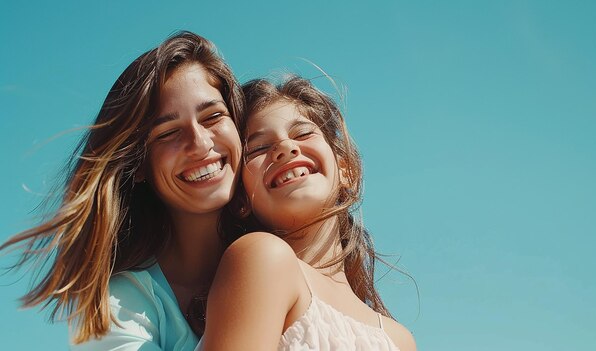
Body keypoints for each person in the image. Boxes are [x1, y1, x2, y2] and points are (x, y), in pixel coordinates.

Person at [0, 31, 244, 350]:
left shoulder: (286, 245)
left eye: (213, 116)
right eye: (168, 133)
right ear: (138, 164)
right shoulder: (117, 305)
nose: (199, 144)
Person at [201, 76, 417, 350]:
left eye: (303, 134)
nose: (285, 148)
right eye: (259, 148)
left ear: (346, 169)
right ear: (241, 199)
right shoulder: (262, 258)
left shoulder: (400, 339)